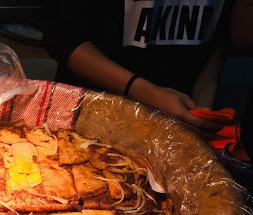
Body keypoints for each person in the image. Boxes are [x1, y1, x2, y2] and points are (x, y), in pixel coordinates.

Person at [41, 0, 250, 132]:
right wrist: (149, 94)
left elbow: (217, 39)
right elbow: (65, 41)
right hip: (92, 113)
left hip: (181, 113)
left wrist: (203, 107)